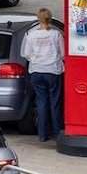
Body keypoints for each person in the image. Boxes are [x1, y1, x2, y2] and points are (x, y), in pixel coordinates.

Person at [22, 8, 64, 142]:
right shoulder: (56, 35)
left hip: (36, 71)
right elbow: (63, 54)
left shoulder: (31, 34)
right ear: (50, 19)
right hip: (52, 71)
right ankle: (57, 133)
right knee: (55, 102)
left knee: (41, 102)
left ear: (38, 19)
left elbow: (26, 54)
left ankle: (42, 134)